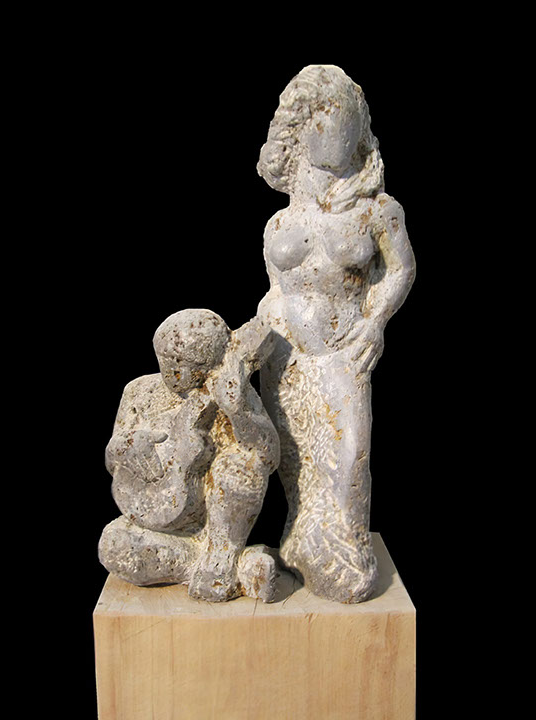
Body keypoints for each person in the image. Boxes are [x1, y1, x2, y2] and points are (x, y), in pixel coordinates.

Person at [257, 65, 416, 603]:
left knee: (349, 458)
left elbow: (402, 269)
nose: (340, 138)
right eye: (327, 124)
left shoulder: (378, 211)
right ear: (302, 131)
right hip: (285, 353)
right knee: (295, 462)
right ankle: (301, 543)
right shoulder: (279, 224)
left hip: (344, 349)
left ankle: (346, 555)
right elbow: (276, 288)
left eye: (349, 125)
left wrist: (375, 321)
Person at [99, 309, 280, 602]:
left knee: (242, 466)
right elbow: (112, 455)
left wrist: (239, 411)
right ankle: (219, 566)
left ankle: (222, 555)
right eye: (166, 362)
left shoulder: (231, 392)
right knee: (114, 546)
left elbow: (268, 456)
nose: (173, 373)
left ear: (214, 363)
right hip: (158, 523)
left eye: (185, 366)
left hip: (217, 524)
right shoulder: (139, 392)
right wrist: (124, 448)